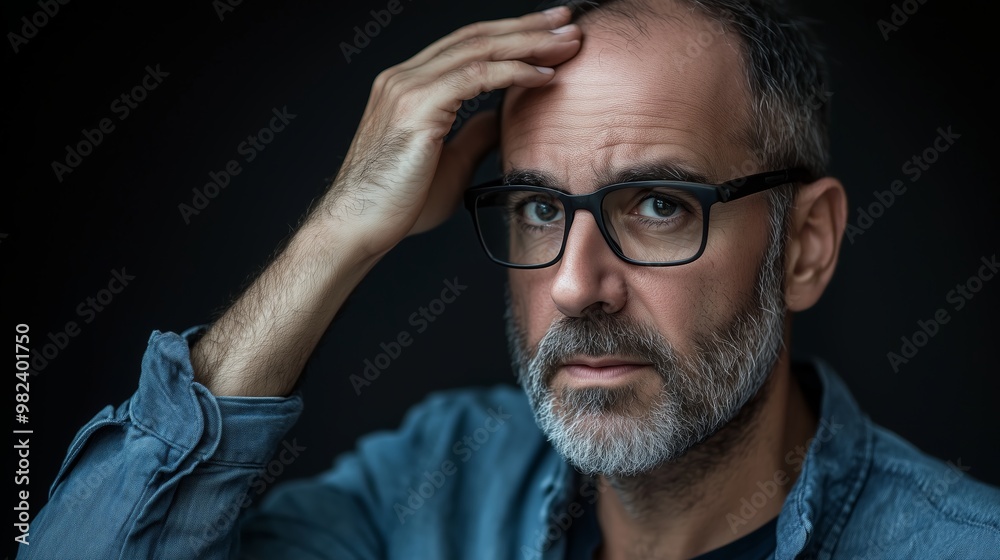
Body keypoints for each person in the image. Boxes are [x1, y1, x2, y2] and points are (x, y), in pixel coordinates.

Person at [18, 1, 1000, 558]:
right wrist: (339, 230)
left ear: (805, 246)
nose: (576, 285)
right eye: (536, 207)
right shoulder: (427, 490)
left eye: (657, 204)